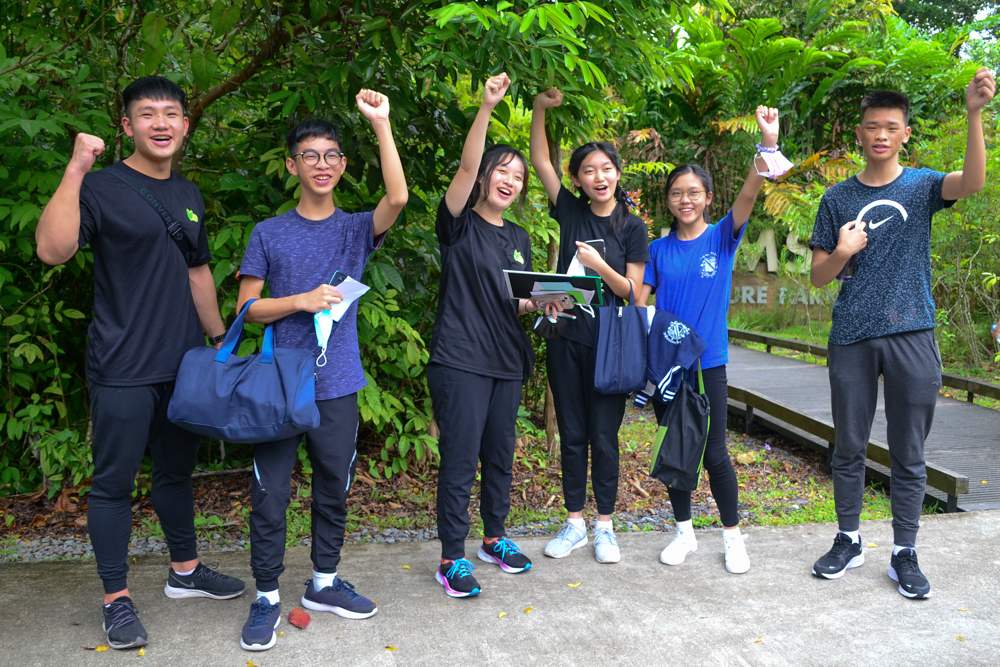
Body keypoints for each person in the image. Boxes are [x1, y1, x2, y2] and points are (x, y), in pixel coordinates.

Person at [34, 76, 246, 650]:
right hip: (123, 366)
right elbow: (52, 250)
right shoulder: (101, 187)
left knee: (176, 475)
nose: (161, 123)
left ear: (185, 125)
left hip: (184, 365)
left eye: (171, 113)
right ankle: (116, 598)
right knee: (113, 486)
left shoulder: (189, 193)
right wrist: (75, 168)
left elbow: (197, 272)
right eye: (148, 114)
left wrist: (220, 341)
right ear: (127, 126)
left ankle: (185, 571)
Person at [808, 68, 995, 599]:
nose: (881, 135)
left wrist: (974, 114)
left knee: (908, 449)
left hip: (912, 330)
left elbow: (973, 182)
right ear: (860, 133)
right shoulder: (836, 198)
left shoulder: (922, 186)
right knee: (848, 445)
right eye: (872, 126)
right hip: (852, 335)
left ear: (905, 134)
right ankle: (848, 539)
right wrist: (842, 251)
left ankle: (904, 551)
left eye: (892, 127)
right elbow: (819, 276)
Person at [234, 91, 407, 650]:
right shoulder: (269, 232)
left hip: (337, 383)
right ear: (292, 166)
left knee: (334, 484)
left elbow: (398, 197)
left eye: (331, 155)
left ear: (343, 164)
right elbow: (246, 308)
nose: (322, 164)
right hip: (279, 383)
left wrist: (381, 123)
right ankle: (266, 596)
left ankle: (324, 583)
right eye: (310, 155)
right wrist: (300, 301)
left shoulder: (356, 230)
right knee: (270, 493)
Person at [638, 106, 781, 575]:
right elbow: (640, 302)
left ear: (708, 198)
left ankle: (732, 537)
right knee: (676, 448)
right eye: (677, 193)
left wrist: (766, 146)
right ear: (668, 200)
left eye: (693, 192)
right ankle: (684, 533)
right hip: (667, 366)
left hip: (709, 362)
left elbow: (749, 191)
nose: (685, 200)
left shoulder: (722, 237)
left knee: (715, 451)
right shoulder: (656, 250)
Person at [430, 73, 539, 598]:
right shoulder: (457, 223)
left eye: (518, 176)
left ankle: (493, 538)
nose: (509, 181)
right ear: (485, 177)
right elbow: (465, 167)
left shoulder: (519, 237)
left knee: (500, 456)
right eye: (502, 171)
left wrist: (545, 303)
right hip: (460, 360)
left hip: (507, 362)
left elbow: (515, 300)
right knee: (459, 461)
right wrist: (487, 107)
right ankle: (451, 557)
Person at [530, 88, 650, 565]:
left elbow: (634, 293)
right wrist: (539, 109)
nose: (599, 177)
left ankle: (605, 527)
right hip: (566, 338)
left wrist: (599, 266)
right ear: (578, 180)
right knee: (573, 434)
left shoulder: (632, 226)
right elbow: (541, 161)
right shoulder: (571, 212)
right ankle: (574, 523)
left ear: (617, 173)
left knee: (604, 436)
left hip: (610, 345)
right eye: (588, 171)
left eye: (606, 168)